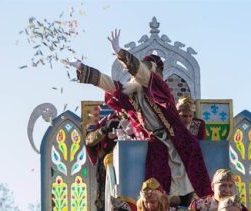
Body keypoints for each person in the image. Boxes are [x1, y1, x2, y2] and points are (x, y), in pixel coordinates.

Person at [70, 29, 211, 199]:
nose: (135, 76)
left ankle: (187, 197)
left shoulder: (159, 88)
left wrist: (120, 53)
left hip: (174, 138)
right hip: (154, 140)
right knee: (156, 163)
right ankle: (164, 199)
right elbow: (108, 84)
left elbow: (141, 73)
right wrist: (82, 68)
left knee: (185, 169)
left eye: (144, 71)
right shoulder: (131, 95)